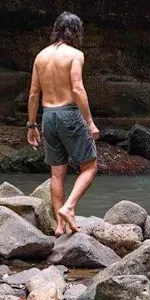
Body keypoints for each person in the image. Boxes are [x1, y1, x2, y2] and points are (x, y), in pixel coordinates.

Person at [27, 12, 100, 235]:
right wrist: (90, 122)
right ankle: (69, 208)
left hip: (48, 115)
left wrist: (31, 125)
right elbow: (77, 89)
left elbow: (33, 93)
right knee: (90, 166)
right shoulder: (75, 54)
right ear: (76, 31)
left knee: (57, 172)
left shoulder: (41, 56)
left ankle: (60, 226)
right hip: (69, 112)